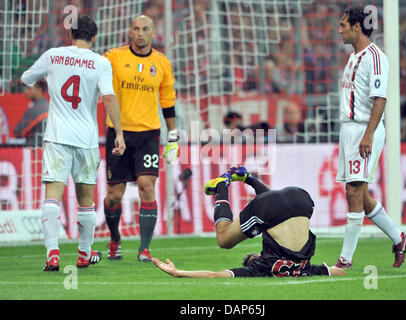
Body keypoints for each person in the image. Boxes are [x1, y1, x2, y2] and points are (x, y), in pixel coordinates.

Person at [20, 16, 126, 271]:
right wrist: (119, 134)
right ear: (94, 37)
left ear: (71, 35)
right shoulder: (101, 62)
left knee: (52, 197)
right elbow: (109, 98)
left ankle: (52, 254)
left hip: (57, 137)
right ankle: (84, 253)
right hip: (86, 139)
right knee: (86, 201)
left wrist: (51, 79)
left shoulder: (53, 55)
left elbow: (25, 79)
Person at [153, 166, 346, 278]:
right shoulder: (262, 267)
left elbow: (338, 272)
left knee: (225, 238)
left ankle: (224, 185)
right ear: (254, 259)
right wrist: (178, 272)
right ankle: (245, 179)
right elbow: (215, 275)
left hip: (303, 202)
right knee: (234, 235)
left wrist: (180, 273)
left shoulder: (304, 269)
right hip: (293, 199)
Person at [335, 6, 406, 269]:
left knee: (353, 190)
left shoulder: (376, 57)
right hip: (349, 130)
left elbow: (380, 98)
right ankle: (399, 238)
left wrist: (368, 134)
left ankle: (345, 260)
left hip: (364, 130)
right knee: (362, 196)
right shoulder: (354, 56)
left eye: (343, 24)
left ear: (357, 26)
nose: (340, 29)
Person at [102, 15, 178, 262]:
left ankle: (144, 248)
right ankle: (115, 239)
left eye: (145, 29)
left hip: (148, 134)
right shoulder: (113, 57)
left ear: (153, 32)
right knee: (114, 195)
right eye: (136, 29)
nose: (140, 33)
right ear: (130, 31)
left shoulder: (162, 63)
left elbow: (167, 101)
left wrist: (173, 136)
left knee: (147, 187)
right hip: (118, 133)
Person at [13, 80, 49, 146]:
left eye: (29, 88)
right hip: (44, 150)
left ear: (39, 89)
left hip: (34, 151)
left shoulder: (37, 108)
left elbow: (17, 131)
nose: (25, 91)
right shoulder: (47, 104)